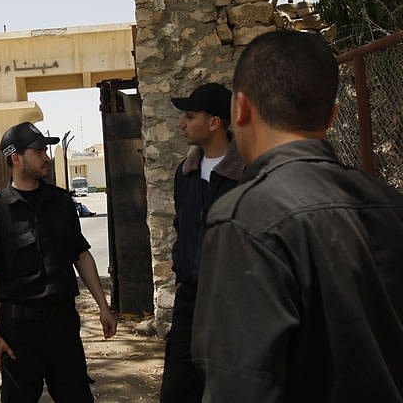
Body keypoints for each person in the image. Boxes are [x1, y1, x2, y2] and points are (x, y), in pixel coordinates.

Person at [192, 30, 403, 401]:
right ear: (332, 116)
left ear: (239, 109)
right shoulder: (390, 204)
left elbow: (240, 384)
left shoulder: (245, 221)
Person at [0, 121, 117, 402]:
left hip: (63, 325)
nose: (46, 157)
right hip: (18, 332)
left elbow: (81, 254)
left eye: (46, 150)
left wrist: (104, 306)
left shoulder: (62, 202)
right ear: (16, 157)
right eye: (38, 151)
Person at [160, 83, 244, 403]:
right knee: (178, 390)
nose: (182, 124)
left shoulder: (248, 172)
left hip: (234, 304)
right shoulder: (185, 173)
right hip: (190, 303)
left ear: (215, 122)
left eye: (190, 116)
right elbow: (182, 228)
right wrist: (181, 277)